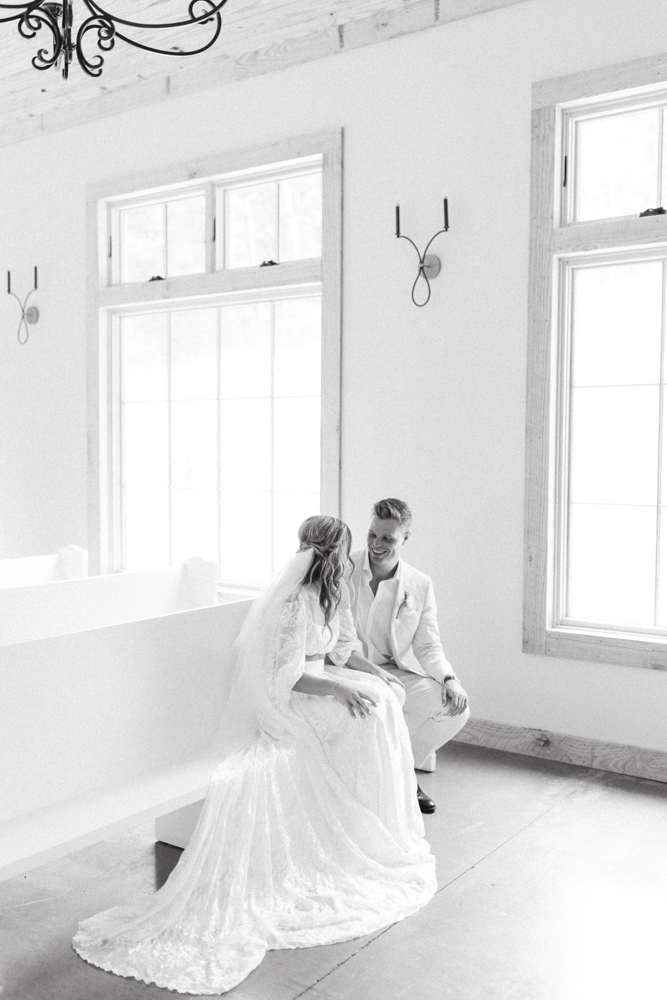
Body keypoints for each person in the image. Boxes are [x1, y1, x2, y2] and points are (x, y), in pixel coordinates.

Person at [73, 515, 436, 995]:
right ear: (326, 554)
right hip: (291, 701)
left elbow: (336, 656)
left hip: (319, 685)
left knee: (383, 703)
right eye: (342, 550)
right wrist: (338, 691)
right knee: (363, 717)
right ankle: (358, 820)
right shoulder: (292, 603)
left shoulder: (326, 595)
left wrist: (361, 680)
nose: (348, 560)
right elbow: (287, 676)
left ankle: (377, 819)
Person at [345, 499, 470, 814]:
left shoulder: (419, 584)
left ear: (405, 538)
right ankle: (401, 782)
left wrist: (450, 679)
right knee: (385, 700)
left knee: (456, 709)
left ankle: (400, 774)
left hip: (392, 672)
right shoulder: (342, 568)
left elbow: (428, 646)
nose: (377, 544)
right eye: (373, 534)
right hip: (346, 667)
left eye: (388, 538)